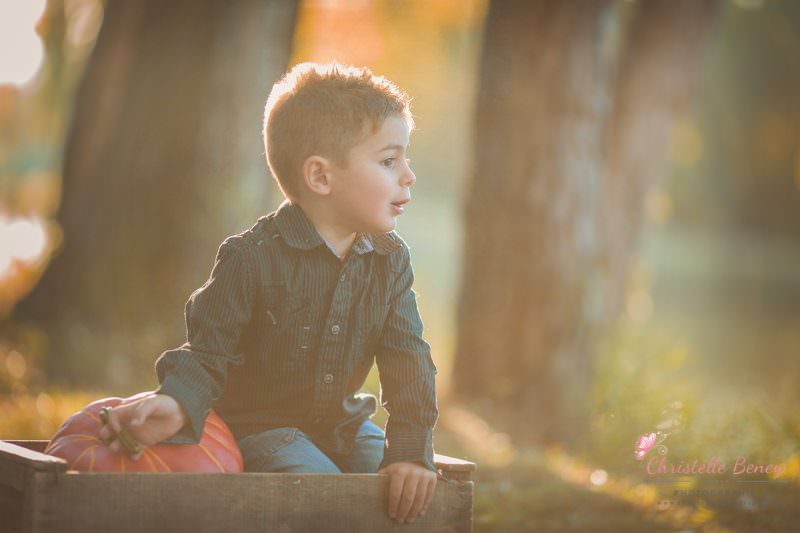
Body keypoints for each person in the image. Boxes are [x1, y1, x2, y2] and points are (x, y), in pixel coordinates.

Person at [98, 61, 439, 525]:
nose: (408, 175)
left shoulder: (389, 259)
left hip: (343, 427)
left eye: (405, 159)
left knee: (399, 485)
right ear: (320, 177)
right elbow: (208, 352)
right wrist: (176, 401)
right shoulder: (251, 258)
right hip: (262, 431)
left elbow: (408, 358)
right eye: (388, 161)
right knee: (320, 491)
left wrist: (411, 452)